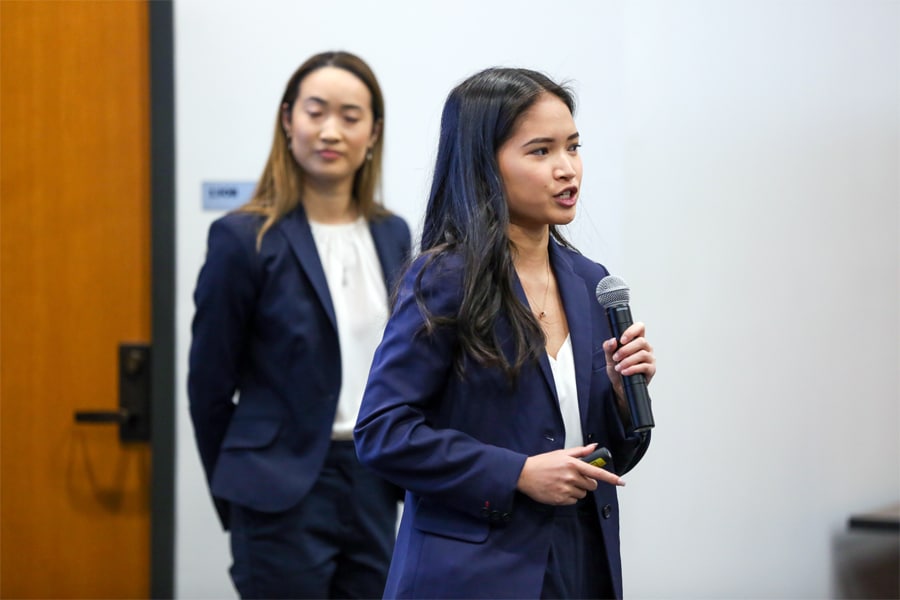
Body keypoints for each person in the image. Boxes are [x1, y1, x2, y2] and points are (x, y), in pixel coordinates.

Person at [354, 67, 656, 600]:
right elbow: (382, 432)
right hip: (471, 570)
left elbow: (604, 454)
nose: (567, 170)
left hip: (580, 556)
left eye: (573, 147)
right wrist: (514, 473)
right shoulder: (444, 277)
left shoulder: (589, 281)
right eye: (540, 152)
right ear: (483, 165)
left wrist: (619, 396)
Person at [188, 50, 411, 599]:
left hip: (374, 480)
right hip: (277, 488)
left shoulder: (393, 235)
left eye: (350, 116)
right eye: (315, 112)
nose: (330, 130)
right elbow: (208, 387)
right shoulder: (243, 239)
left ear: (373, 133)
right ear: (288, 120)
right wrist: (240, 495)